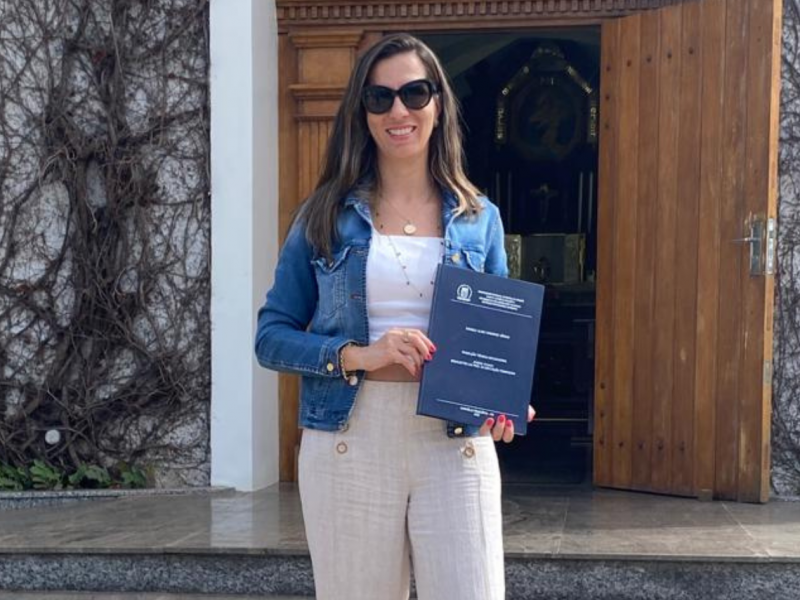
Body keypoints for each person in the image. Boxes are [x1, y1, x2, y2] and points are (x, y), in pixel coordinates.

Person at [255, 33, 535, 600]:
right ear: (362, 112)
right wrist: (362, 355)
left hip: (455, 441)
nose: (398, 111)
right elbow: (271, 337)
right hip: (351, 438)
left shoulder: (480, 218)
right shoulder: (324, 215)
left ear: (438, 103)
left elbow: (499, 335)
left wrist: (504, 399)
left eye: (414, 93)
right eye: (379, 98)